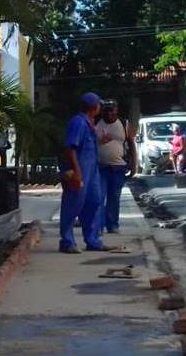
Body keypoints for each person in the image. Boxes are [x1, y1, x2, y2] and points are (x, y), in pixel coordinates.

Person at [59, 93, 115, 254]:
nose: (100, 108)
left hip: (92, 171)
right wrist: (76, 171)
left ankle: (92, 240)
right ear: (93, 107)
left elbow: (86, 145)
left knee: (94, 202)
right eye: (99, 105)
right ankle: (67, 241)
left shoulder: (90, 123)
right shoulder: (78, 123)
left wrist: (100, 140)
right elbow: (70, 148)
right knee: (73, 204)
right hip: (80, 171)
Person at [95, 100, 137, 234]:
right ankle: (98, 226)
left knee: (114, 197)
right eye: (107, 110)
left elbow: (131, 144)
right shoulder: (96, 123)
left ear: (117, 110)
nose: (110, 113)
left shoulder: (124, 124)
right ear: (102, 111)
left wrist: (134, 164)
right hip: (100, 167)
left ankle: (112, 225)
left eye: (112, 110)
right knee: (99, 196)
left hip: (118, 167)